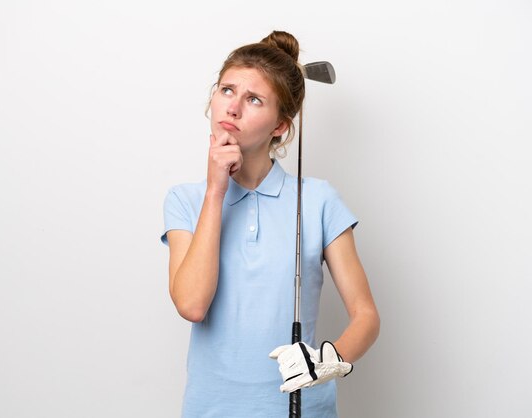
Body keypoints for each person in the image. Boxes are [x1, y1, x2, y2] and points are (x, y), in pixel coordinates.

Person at [161, 30, 380, 418]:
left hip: (301, 410)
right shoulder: (185, 200)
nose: (232, 108)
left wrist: (331, 359)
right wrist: (216, 191)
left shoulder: (318, 200)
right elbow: (192, 305)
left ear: (280, 125)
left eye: (254, 99)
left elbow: (365, 316)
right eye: (226, 90)